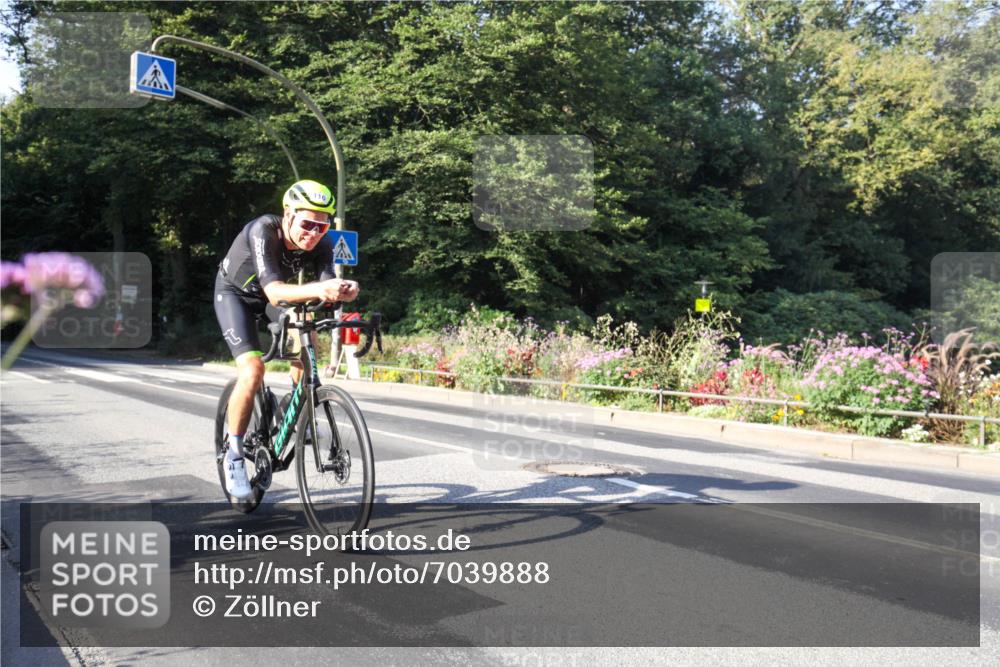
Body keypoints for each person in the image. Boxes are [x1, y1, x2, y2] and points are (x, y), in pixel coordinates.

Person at [214, 179, 358, 500]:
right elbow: (276, 292)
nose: (314, 233)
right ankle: (234, 452)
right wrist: (322, 290)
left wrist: (345, 290)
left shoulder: (323, 243)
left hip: (270, 299)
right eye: (307, 224)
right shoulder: (263, 230)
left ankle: (298, 404)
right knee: (252, 371)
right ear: (287, 214)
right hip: (236, 296)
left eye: (322, 226)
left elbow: (327, 289)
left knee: (305, 323)